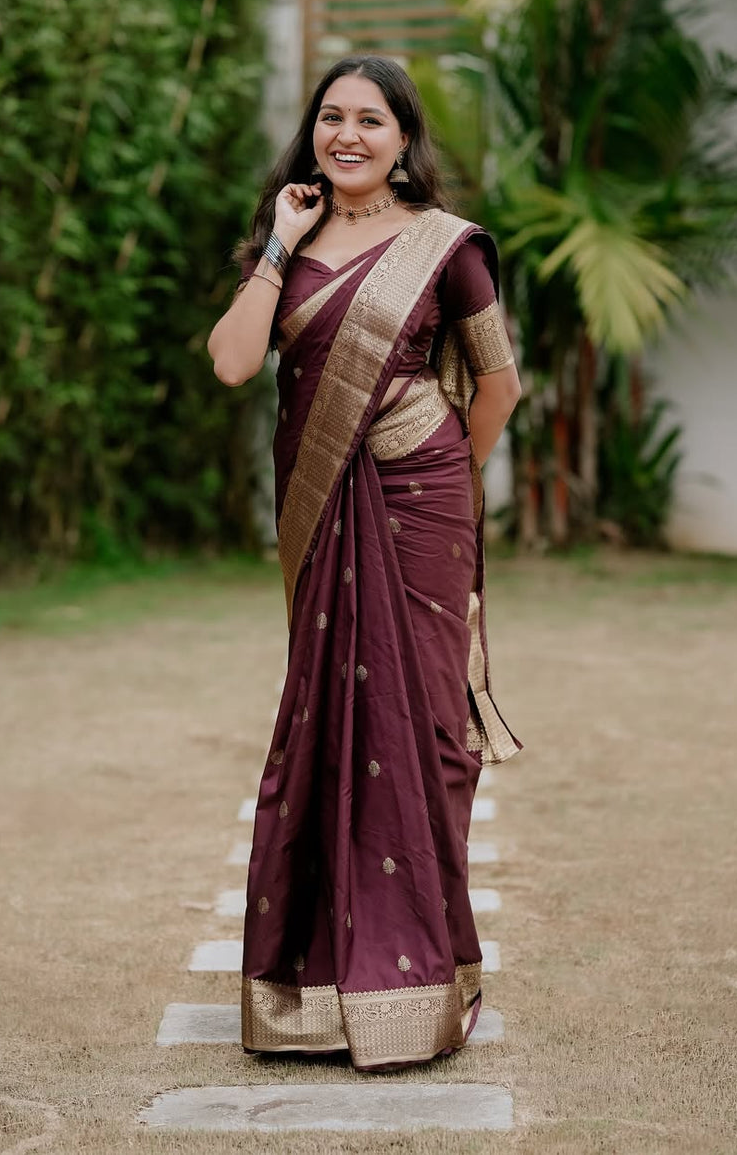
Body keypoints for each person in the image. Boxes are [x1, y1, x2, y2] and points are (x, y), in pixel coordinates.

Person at [207, 54, 522, 1072]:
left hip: (422, 503)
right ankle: (307, 988)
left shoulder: (445, 246)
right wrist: (276, 247)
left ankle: (421, 978)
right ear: (313, 134)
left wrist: (444, 471)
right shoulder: (287, 247)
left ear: (402, 140)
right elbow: (232, 362)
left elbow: (498, 384)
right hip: (318, 502)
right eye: (330, 118)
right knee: (323, 720)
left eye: (370, 120)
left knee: (426, 728)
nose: (347, 135)